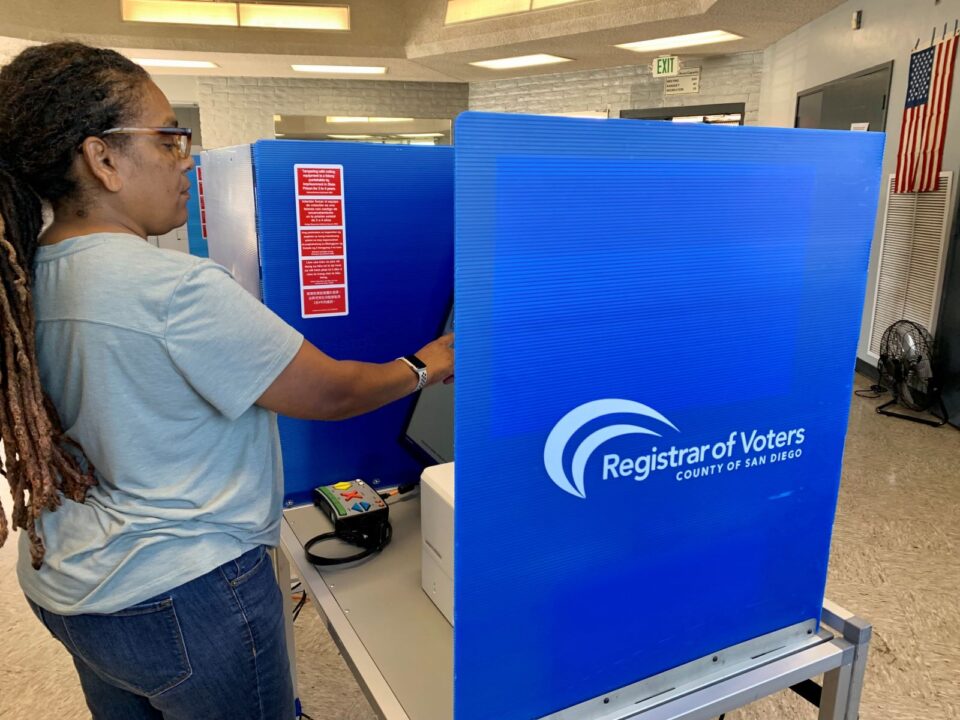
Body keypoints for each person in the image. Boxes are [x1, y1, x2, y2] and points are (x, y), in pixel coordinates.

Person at [0, 42, 453, 720]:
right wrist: (427, 364)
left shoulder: (25, 277)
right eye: (168, 139)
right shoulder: (171, 287)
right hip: (183, 594)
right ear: (102, 159)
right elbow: (330, 392)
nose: (187, 161)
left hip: (69, 582)